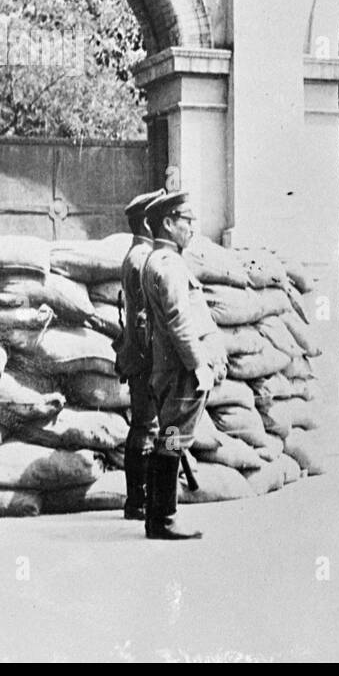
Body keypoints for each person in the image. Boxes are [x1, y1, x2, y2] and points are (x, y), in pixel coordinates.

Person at [139, 191, 228, 540]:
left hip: (169, 368)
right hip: (180, 371)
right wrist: (198, 366)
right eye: (186, 220)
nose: (192, 227)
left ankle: (157, 516)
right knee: (172, 441)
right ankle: (164, 518)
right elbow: (178, 320)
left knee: (169, 439)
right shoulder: (169, 264)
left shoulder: (157, 261)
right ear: (168, 223)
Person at [113, 188, 165, 521]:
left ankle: (148, 495)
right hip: (149, 360)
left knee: (156, 427)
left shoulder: (138, 256)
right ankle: (143, 499)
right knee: (152, 429)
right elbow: (146, 319)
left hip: (145, 358)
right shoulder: (142, 259)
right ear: (147, 221)